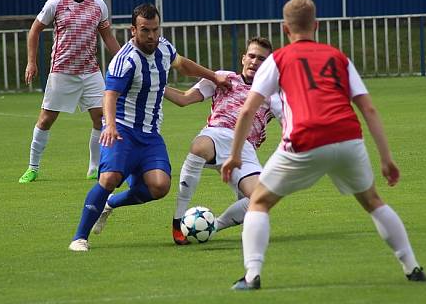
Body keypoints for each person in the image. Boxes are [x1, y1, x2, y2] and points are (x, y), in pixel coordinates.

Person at [221, 0, 426, 290]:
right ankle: (413, 268)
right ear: (316, 25)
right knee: (373, 201)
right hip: (347, 138)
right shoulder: (337, 57)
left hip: (304, 140)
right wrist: (386, 157)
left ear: (285, 28)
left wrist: (233, 157)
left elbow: (247, 109)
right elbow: (368, 108)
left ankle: (252, 276)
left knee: (259, 202)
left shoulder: (278, 59)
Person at [68, 3, 230, 252]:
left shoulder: (164, 47)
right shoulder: (125, 60)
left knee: (159, 187)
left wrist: (213, 76)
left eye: (155, 29)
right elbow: (109, 95)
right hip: (122, 131)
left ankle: (110, 204)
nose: (151, 36)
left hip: (150, 135)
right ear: (133, 30)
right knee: (109, 178)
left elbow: (183, 64)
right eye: (145, 30)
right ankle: (80, 237)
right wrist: (110, 125)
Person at [90, 37, 282, 244]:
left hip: (245, 149)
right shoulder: (224, 78)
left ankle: (211, 226)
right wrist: (153, 85)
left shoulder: (272, 93)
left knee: (261, 199)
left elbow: (288, 120)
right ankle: (177, 222)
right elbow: (184, 98)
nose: (255, 62)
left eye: (261, 59)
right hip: (216, 134)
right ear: (243, 58)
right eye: (252, 56)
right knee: (199, 146)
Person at [18, 0, 121, 184]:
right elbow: (34, 30)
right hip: (62, 73)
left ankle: (94, 167)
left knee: (102, 118)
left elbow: (108, 37)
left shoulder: (98, 5)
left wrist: (125, 60)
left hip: (91, 72)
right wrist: (31, 62)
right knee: (46, 120)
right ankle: (32, 168)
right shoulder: (55, 3)